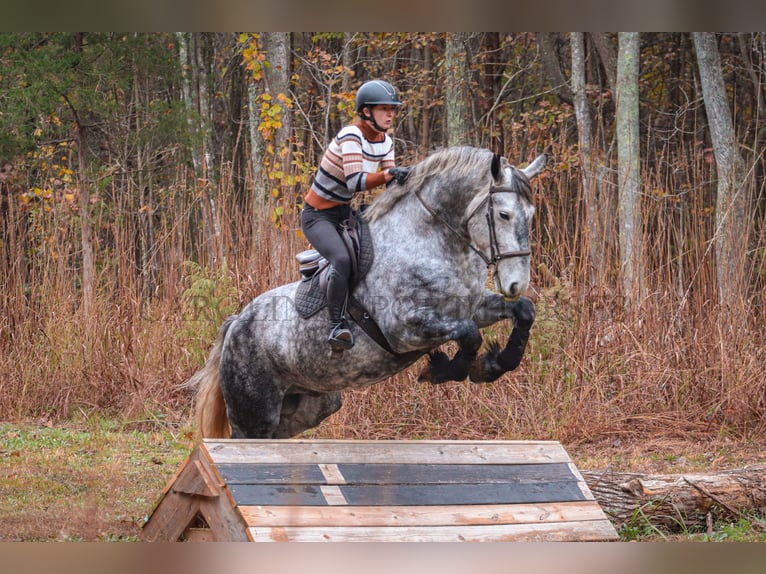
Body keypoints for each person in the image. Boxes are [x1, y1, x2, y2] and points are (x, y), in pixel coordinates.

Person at [300, 79, 409, 351]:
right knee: (341, 259)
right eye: (384, 109)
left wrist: (407, 181)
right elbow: (355, 182)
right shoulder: (351, 135)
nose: (390, 114)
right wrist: (388, 174)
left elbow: (391, 183)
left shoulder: (386, 141)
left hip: (344, 213)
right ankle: (336, 326)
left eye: (392, 109)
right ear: (366, 112)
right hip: (317, 217)